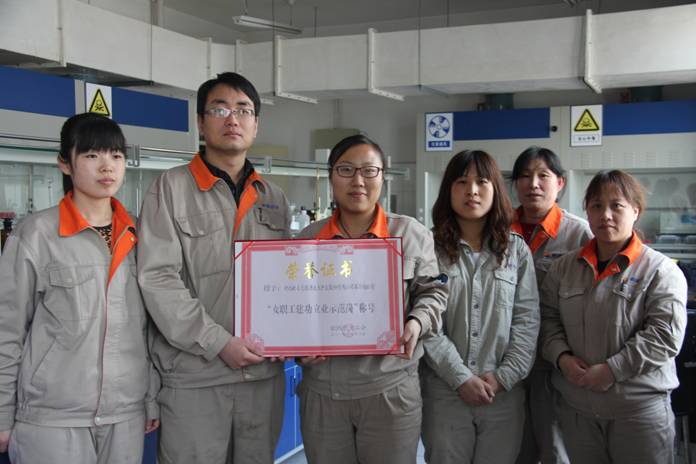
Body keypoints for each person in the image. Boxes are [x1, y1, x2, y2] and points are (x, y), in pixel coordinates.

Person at [136, 72, 291, 464]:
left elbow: (287, 280)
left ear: (256, 124)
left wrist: (295, 336)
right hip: (195, 378)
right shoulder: (170, 189)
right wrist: (218, 342)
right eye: (220, 110)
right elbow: (158, 279)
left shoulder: (273, 197)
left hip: (262, 379)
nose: (233, 119)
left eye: (244, 110)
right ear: (201, 123)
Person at [0, 113, 159, 463]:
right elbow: (7, 330)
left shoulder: (139, 234)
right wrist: (2, 413)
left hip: (125, 415)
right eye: (91, 155)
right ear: (65, 163)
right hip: (52, 419)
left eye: (116, 155)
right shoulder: (36, 235)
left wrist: (149, 398)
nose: (107, 166)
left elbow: (148, 331)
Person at [296, 134, 447, 464]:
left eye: (369, 170)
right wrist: (297, 347)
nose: (358, 181)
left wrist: (416, 322)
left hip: (390, 389)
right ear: (331, 176)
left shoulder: (409, 234)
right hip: (323, 392)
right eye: (346, 170)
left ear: (383, 176)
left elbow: (434, 293)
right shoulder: (307, 239)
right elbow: (295, 309)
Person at [540, 170, 687, 464]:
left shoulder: (660, 271)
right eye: (596, 206)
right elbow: (547, 319)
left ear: (636, 211)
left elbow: (664, 336)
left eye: (616, 205)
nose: (605, 215)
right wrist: (562, 358)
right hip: (578, 411)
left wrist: (612, 370)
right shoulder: (564, 268)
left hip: (638, 413)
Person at [421, 149, 539, 464]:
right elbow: (427, 324)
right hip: (445, 391)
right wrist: (460, 377)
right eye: (461, 182)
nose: (471, 191)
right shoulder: (428, 249)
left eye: (482, 182)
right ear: (448, 190)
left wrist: (503, 377)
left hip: (502, 392)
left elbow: (527, 321)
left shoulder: (516, 251)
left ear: (495, 189)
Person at [511, 146, 592, 464]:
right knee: (513, 448)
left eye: (542, 176)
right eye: (524, 176)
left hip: (555, 363)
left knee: (555, 447)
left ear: (560, 183)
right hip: (507, 360)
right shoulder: (498, 229)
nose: (533, 184)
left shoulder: (578, 234)